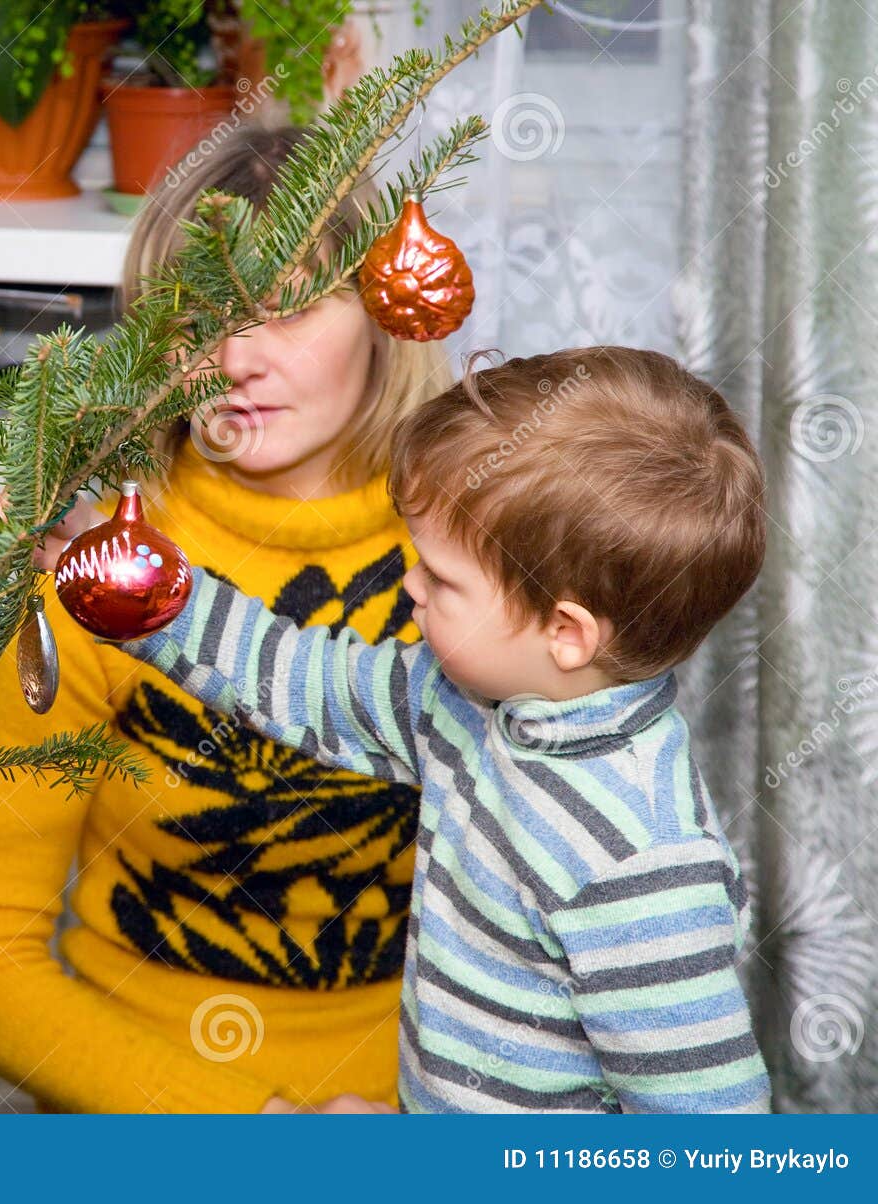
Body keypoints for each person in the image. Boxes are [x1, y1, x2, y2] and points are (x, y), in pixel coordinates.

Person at [0, 125, 452, 1113]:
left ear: (383, 311)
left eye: (288, 304)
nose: (237, 358)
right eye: (197, 313)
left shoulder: (470, 569)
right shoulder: (98, 574)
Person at [116, 347, 773, 1112]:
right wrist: (151, 596)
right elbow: (307, 686)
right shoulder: (468, 701)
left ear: (566, 632)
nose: (409, 586)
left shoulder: (640, 865)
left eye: (441, 577)